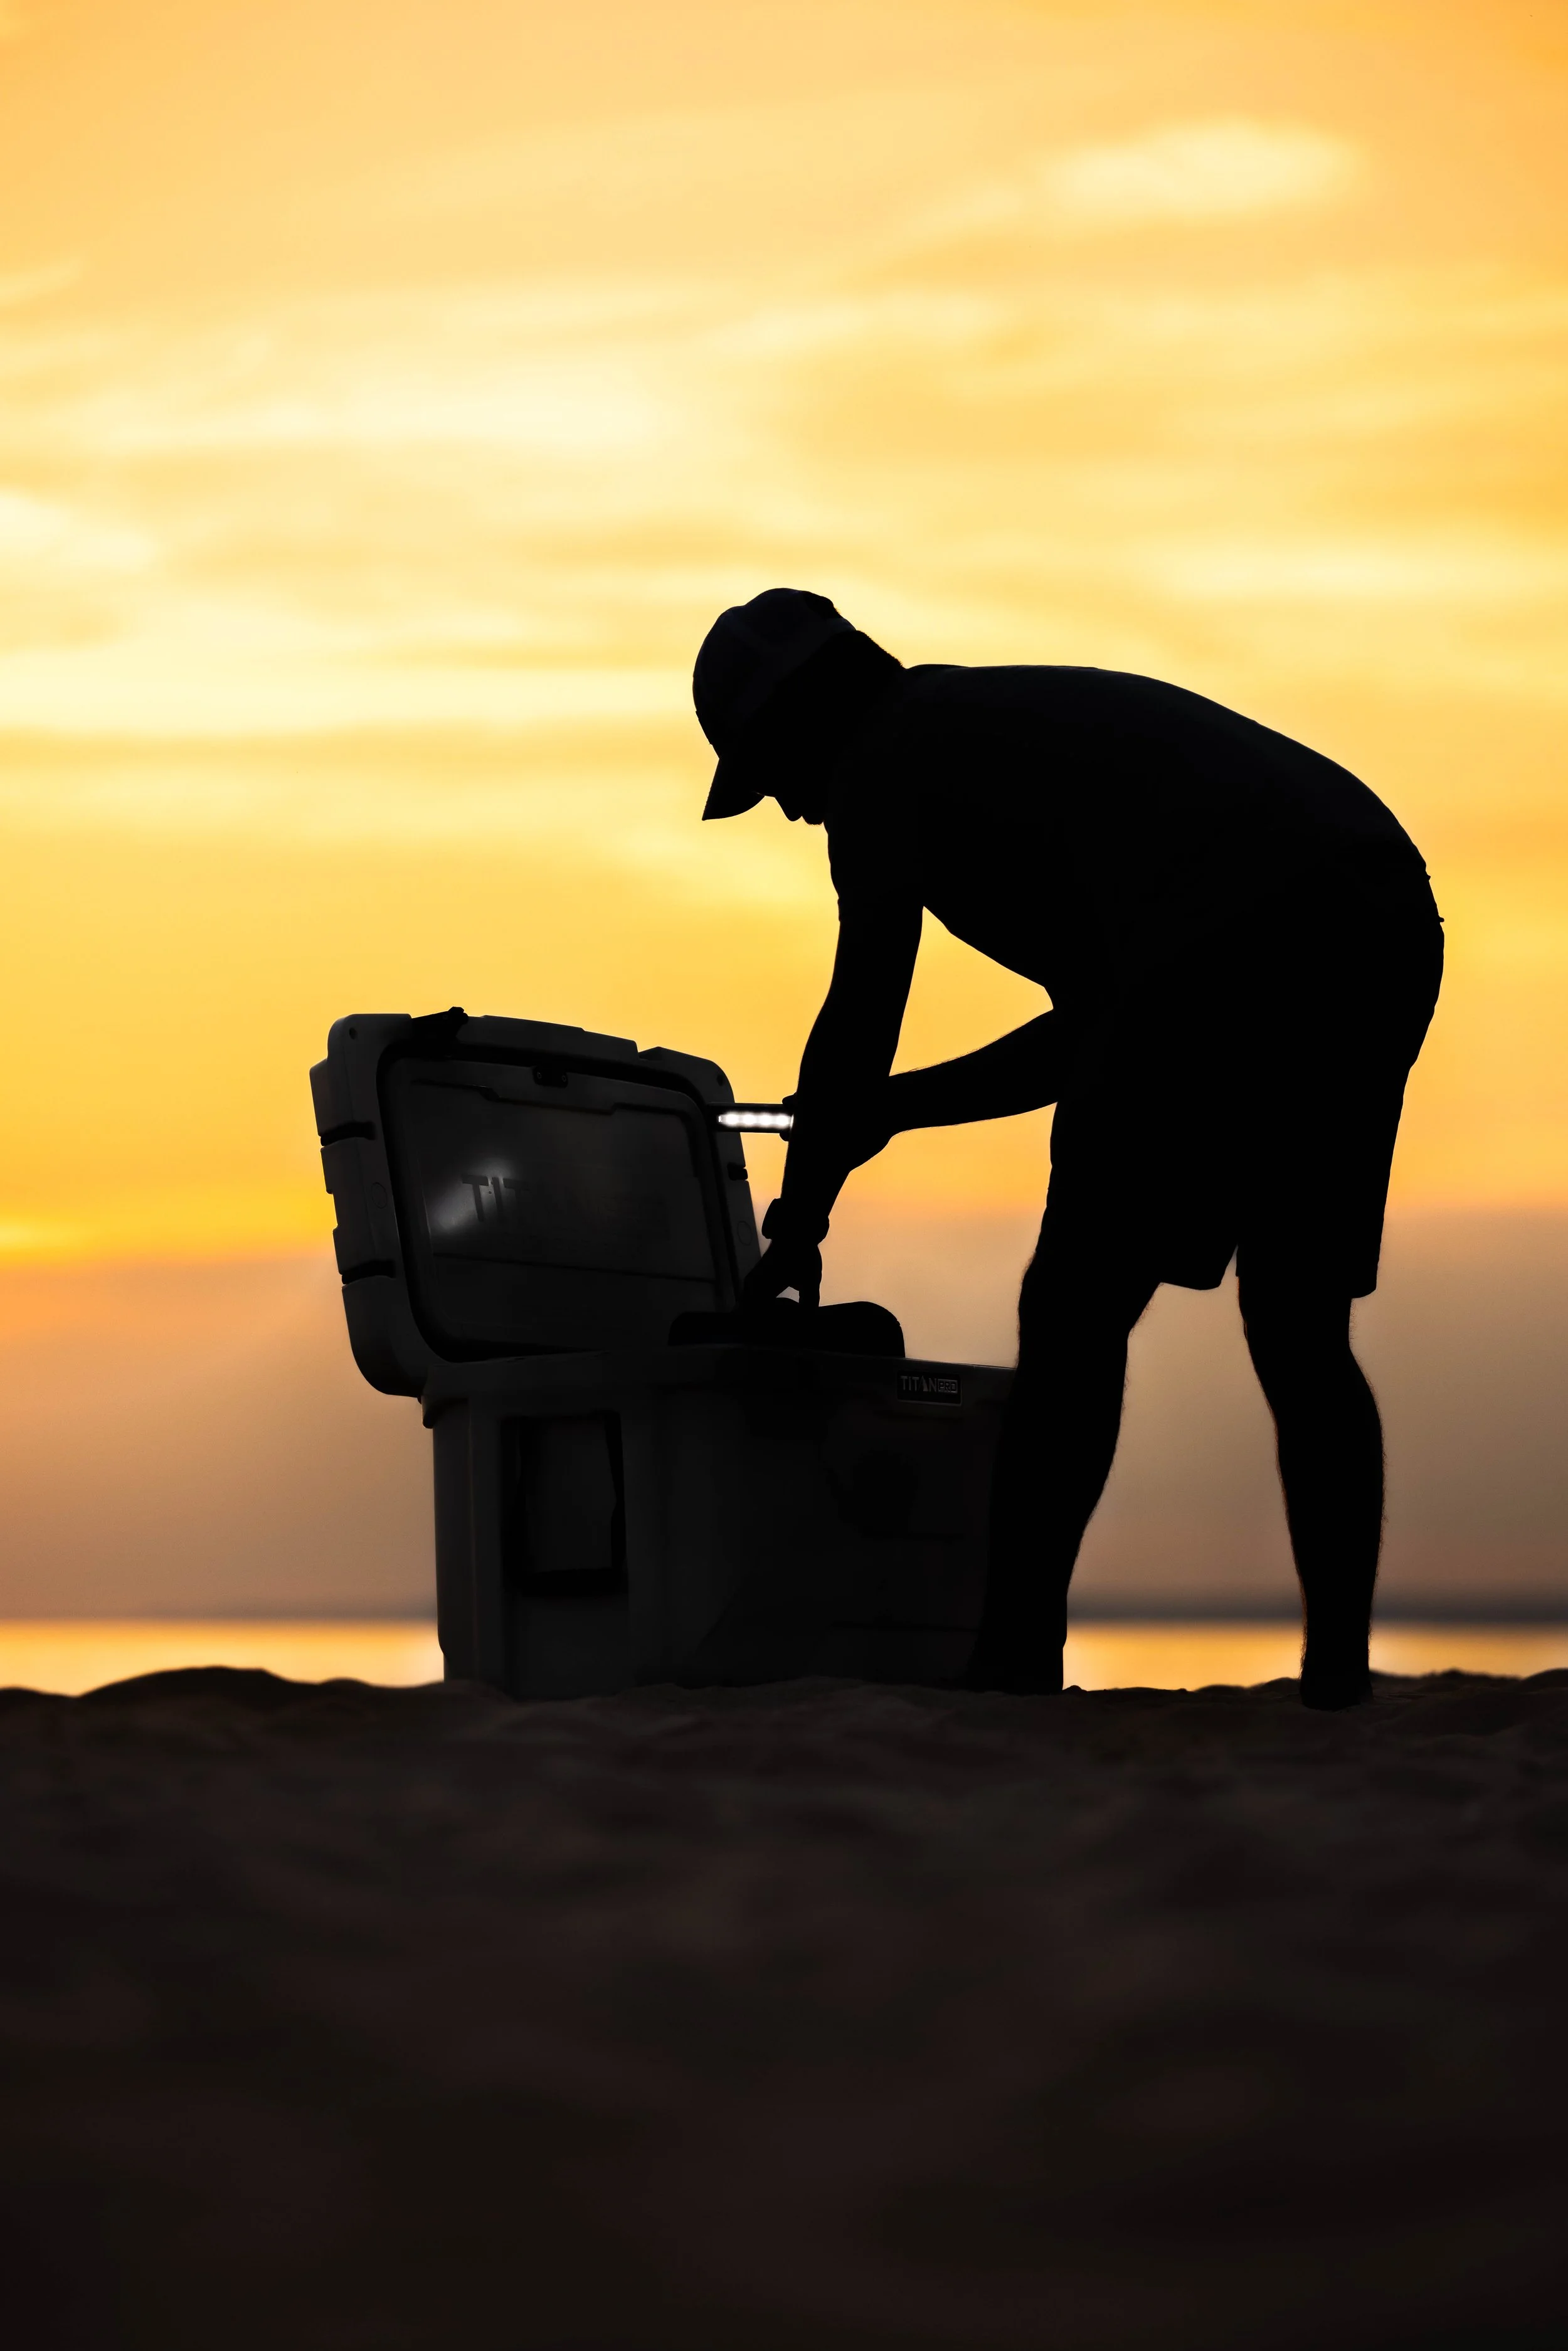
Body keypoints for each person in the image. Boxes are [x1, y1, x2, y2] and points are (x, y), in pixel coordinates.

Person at [692, 588, 1443, 1708]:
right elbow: (1106, 1026)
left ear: (807, 717)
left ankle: (1014, 1659)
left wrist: (798, 1223)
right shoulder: (1007, 746)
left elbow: (863, 1009)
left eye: (773, 776)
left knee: (1075, 1309)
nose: (795, 812)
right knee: (1298, 1321)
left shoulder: (884, 761)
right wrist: (897, 1110)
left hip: (1246, 932)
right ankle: (1339, 1675)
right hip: (1377, 916)